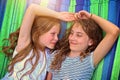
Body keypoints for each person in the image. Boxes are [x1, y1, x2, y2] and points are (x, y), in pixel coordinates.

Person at [1, 4, 75, 80]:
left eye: (57, 34)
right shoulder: (25, 44)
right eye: (53, 34)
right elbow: (32, 9)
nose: (56, 38)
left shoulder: (49, 55)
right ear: (39, 32)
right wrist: (58, 15)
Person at [46, 10, 120, 80]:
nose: (72, 38)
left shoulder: (90, 59)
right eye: (71, 33)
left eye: (79, 35)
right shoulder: (56, 55)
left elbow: (114, 31)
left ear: (91, 41)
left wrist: (91, 16)